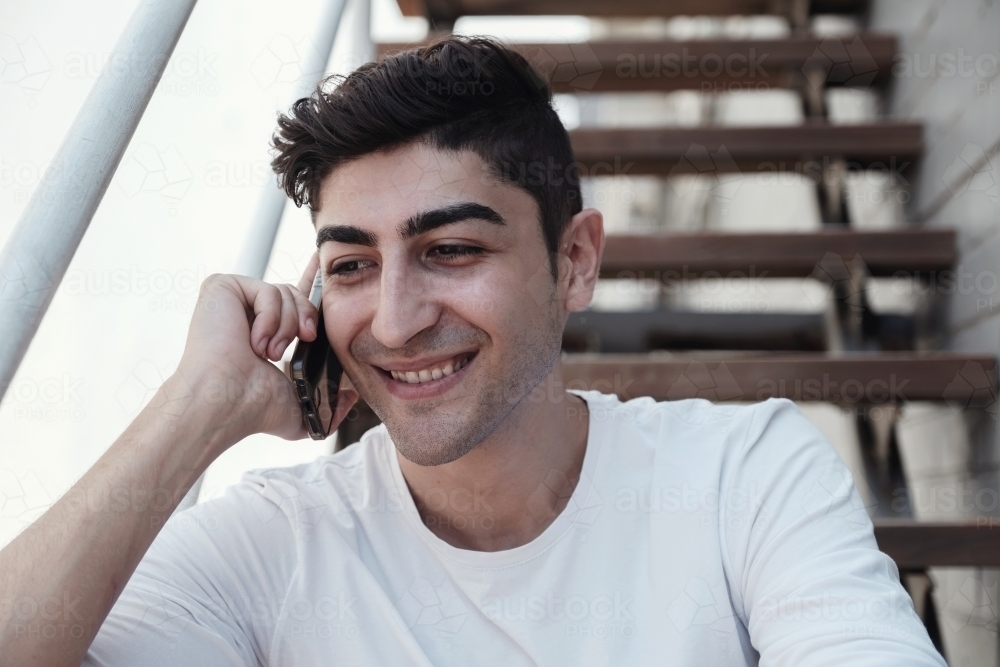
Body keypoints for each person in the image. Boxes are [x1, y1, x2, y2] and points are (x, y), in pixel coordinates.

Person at [0, 37, 945, 666]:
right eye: (354, 264)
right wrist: (194, 409)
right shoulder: (273, 541)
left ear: (573, 261)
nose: (399, 319)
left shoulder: (747, 474)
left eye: (451, 249)